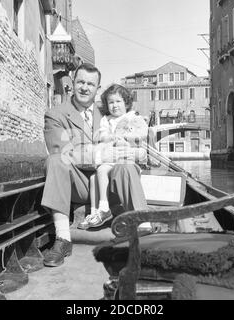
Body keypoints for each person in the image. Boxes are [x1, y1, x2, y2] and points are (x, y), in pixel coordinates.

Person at [41, 63, 149, 267]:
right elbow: (64, 151)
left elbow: (140, 143)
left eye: (90, 84)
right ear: (72, 83)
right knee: (55, 160)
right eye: (80, 82)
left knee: (126, 165)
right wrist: (102, 154)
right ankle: (63, 239)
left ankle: (143, 231)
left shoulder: (111, 110)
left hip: (111, 185)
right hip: (79, 184)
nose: (85, 88)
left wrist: (135, 153)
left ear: (97, 88)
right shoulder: (56, 115)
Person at [78, 84, 148, 230]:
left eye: (118, 101)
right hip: (111, 157)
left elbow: (142, 134)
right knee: (97, 174)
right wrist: (110, 137)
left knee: (124, 168)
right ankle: (100, 209)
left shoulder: (133, 117)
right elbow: (102, 135)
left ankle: (139, 218)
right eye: (111, 102)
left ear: (126, 103)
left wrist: (125, 137)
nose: (115, 105)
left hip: (126, 156)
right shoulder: (106, 120)